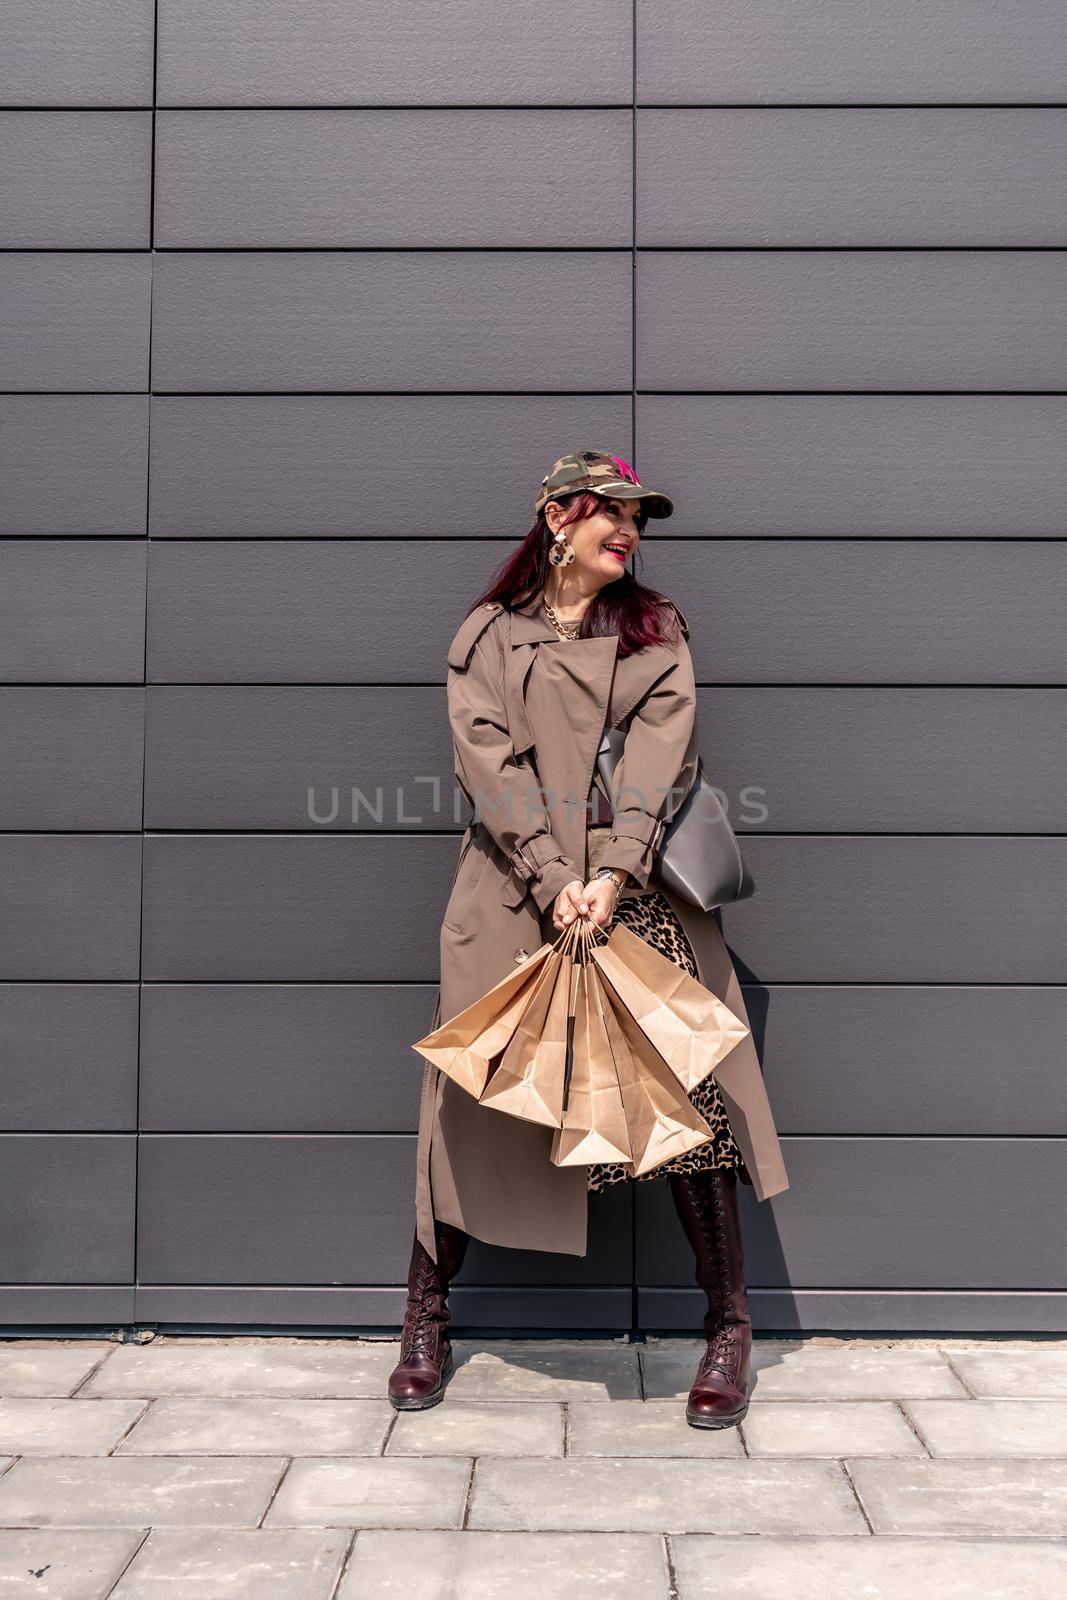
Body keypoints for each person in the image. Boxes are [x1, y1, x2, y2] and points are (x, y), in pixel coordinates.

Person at [388, 449, 789, 1428]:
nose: (629, 531)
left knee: (688, 1111)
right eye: (609, 512)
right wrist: (552, 872)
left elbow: (661, 756)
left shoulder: (653, 631)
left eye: (637, 517)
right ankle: (423, 1318)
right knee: (473, 1102)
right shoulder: (486, 634)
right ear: (556, 517)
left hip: (632, 892)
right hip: (521, 895)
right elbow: (481, 757)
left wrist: (608, 873)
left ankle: (727, 1327)